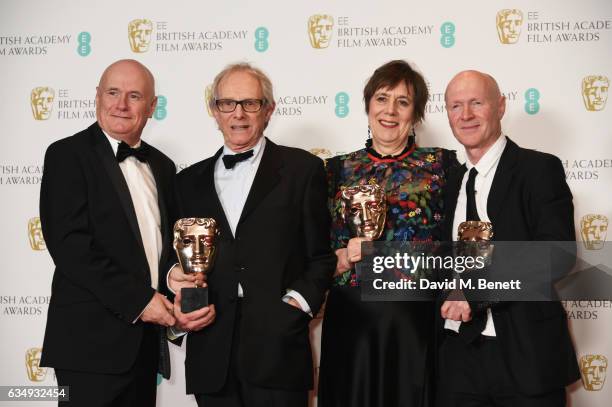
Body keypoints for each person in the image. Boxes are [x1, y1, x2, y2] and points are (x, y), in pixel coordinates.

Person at [167, 62, 335, 407]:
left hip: (279, 350)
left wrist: (294, 309)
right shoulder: (187, 182)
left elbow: (321, 256)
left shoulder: (303, 170)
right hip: (211, 348)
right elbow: (174, 259)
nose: (238, 113)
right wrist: (175, 281)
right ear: (214, 111)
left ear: (269, 110)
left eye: (250, 103)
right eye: (227, 103)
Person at [437, 70, 580, 406]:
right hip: (457, 354)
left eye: (476, 103)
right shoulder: (450, 180)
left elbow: (556, 255)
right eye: (456, 106)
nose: (466, 115)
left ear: (500, 106)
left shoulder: (538, 169)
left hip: (526, 352)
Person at [39, 59, 177, 406]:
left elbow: (166, 248)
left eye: (134, 95)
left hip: (144, 346)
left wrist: (178, 286)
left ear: (152, 106)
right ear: (97, 97)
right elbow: (71, 246)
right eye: (113, 93)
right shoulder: (66, 155)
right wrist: (141, 301)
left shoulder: (162, 165)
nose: (121, 104)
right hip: (87, 347)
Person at [318, 60, 455, 407]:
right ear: (367, 106)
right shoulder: (334, 170)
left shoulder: (443, 166)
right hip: (352, 322)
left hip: (415, 321)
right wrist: (337, 259)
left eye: (403, 102)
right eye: (382, 98)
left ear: (417, 114)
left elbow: (457, 243)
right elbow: (314, 250)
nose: (390, 110)